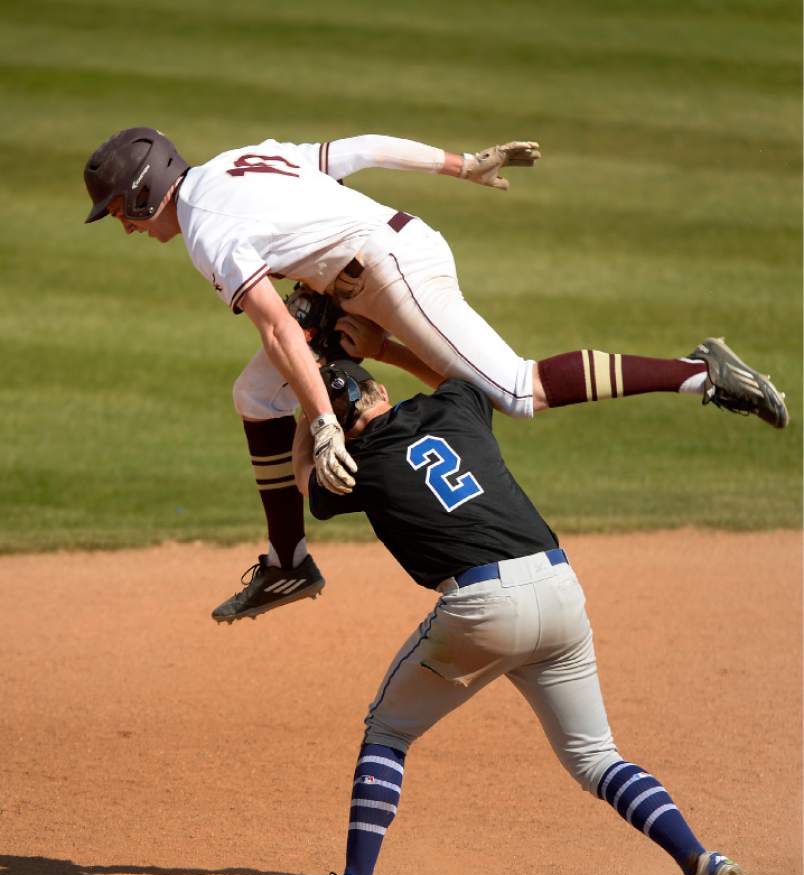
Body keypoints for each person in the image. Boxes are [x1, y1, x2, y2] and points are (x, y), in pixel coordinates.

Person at [82, 128, 789, 624]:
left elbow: (274, 324)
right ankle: (288, 559)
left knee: (514, 389)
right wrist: (462, 163)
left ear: (143, 193)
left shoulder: (207, 230)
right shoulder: (240, 161)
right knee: (256, 395)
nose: (122, 226)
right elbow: (355, 150)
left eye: (118, 210)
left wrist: (325, 422)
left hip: (392, 270)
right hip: (363, 274)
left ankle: (699, 374)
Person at [291, 357, 744, 875]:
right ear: (379, 388)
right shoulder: (456, 405)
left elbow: (305, 478)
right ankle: (700, 862)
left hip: (480, 609)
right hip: (558, 590)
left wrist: (311, 415)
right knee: (596, 758)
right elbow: (451, 362)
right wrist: (382, 341)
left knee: (388, 732)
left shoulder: (354, 463)